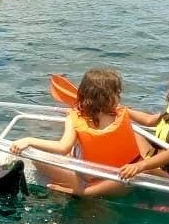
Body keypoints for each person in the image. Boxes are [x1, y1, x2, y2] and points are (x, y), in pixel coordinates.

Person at [9, 68, 140, 196]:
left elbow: (63, 147)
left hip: (91, 183)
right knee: (136, 135)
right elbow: (151, 121)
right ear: (110, 98)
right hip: (125, 180)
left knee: (37, 159)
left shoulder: (74, 118)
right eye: (117, 94)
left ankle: (67, 192)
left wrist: (29, 140)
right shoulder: (121, 113)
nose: (119, 97)